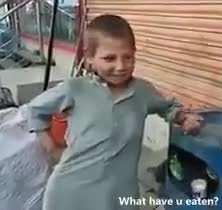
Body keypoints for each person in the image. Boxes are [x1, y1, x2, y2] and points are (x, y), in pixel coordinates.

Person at [25, 14, 203, 210]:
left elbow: (169, 107)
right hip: (70, 192)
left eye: (128, 57)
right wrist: (51, 147)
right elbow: (34, 110)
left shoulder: (142, 92)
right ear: (90, 58)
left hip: (120, 194)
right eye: (109, 58)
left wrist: (185, 118)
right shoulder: (75, 89)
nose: (121, 66)